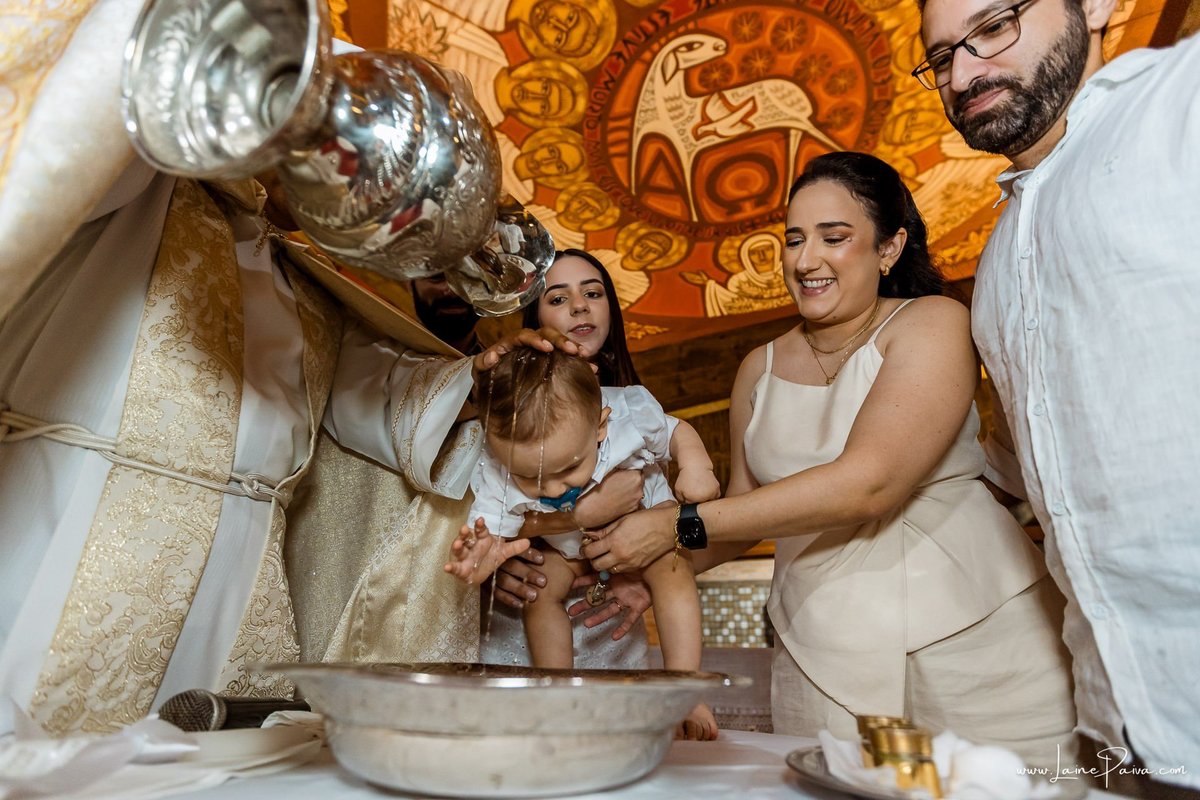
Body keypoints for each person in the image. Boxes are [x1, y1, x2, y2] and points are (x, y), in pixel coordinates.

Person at [0, 5, 572, 736]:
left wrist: (476, 385)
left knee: (211, 766)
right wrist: (310, 72)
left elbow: (361, 397)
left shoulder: (303, 277)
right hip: (78, 529)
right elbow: (86, 91)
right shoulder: (136, 195)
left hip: (244, 572)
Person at [580, 152, 1077, 769]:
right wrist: (645, 574)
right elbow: (742, 515)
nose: (805, 260)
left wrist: (673, 525)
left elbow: (870, 484)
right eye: (793, 239)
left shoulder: (934, 323)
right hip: (819, 645)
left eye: (833, 238)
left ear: (889, 247)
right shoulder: (756, 369)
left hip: (974, 633)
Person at [915, 0, 1199, 785]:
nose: (964, 73)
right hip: (1112, 726)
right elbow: (1037, 463)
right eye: (942, 58)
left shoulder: (1179, 100)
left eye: (994, 25)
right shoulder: (1001, 256)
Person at [444, 348, 720, 739]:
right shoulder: (498, 468)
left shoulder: (626, 415)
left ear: (600, 428)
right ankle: (557, 694)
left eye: (569, 468)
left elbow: (676, 430)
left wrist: (696, 466)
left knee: (674, 572)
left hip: (643, 522)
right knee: (540, 590)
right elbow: (489, 528)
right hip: (569, 547)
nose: (555, 488)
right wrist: (479, 556)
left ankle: (687, 690)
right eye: (532, 479)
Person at [482, 250, 654, 672]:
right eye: (557, 298)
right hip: (523, 628)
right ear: (534, 321)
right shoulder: (506, 412)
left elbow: (672, 519)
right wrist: (577, 516)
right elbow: (474, 511)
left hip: (613, 635)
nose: (579, 305)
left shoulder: (640, 411)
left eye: (593, 293)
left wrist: (649, 573)